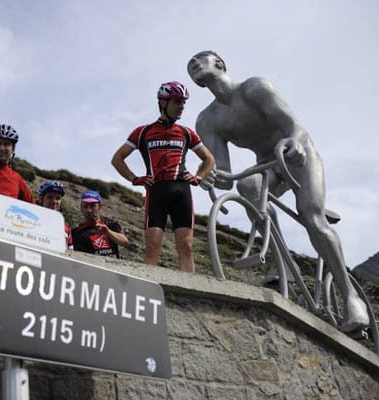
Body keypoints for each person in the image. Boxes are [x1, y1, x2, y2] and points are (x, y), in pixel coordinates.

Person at [186, 50, 369, 332]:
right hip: (268, 165)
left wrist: (294, 143)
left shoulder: (254, 88)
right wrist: (209, 178)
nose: (195, 64)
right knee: (247, 185)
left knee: (312, 218)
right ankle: (283, 265)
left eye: (201, 59)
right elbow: (225, 176)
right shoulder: (208, 121)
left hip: (297, 154)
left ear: (220, 63)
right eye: (190, 65)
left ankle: (351, 298)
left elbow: (295, 127)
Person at [111, 81, 215, 272]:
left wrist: (198, 178)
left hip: (181, 191)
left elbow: (208, 159)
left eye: (184, 102)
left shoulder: (186, 132)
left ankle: (189, 291)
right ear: (163, 103)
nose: (181, 106)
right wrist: (135, 179)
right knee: (152, 247)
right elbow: (117, 159)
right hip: (156, 192)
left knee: (186, 247)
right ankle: (147, 288)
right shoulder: (143, 132)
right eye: (177, 102)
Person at [71, 190, 128, 258]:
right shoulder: (76, 232)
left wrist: (108, 232)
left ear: (100, 207)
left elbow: (124, 242)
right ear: (81, 209)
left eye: (93, 206)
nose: (89, 210)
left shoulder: (112, 226)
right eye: (85, 206)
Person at [37, 180, 73, 249]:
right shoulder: (31, 220)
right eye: (50, 197)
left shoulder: (66, 228)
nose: (54, 201)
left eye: (58, 198)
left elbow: (70, 252)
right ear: (41, 199)